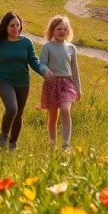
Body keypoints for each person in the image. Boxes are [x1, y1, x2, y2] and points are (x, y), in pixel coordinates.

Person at [0, 11, 52, 151]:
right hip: (4, 81)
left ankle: (13, 144)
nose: (16, 28)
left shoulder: (26, 43)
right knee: (12, 108)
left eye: (18, 25)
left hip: (23, 83)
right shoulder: (0, 44)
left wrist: (44, 71)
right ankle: (3, 136)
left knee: (19, 113)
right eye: (12, 25)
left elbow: (34, 62)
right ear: (5, 27)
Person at [39, 16, 81, 150]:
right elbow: (42, 64)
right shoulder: (48, 47)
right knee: (52, 117)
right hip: (52, 83)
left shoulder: (71, 48)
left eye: (64, 29)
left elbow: (75, 70)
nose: (62, 31)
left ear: (68, 31)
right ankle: (52, 144)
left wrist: (78, 88)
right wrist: (45, 71)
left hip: (67, 83)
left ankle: (66, 144)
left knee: (65, 109)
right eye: (58, 29)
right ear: (52, 30)